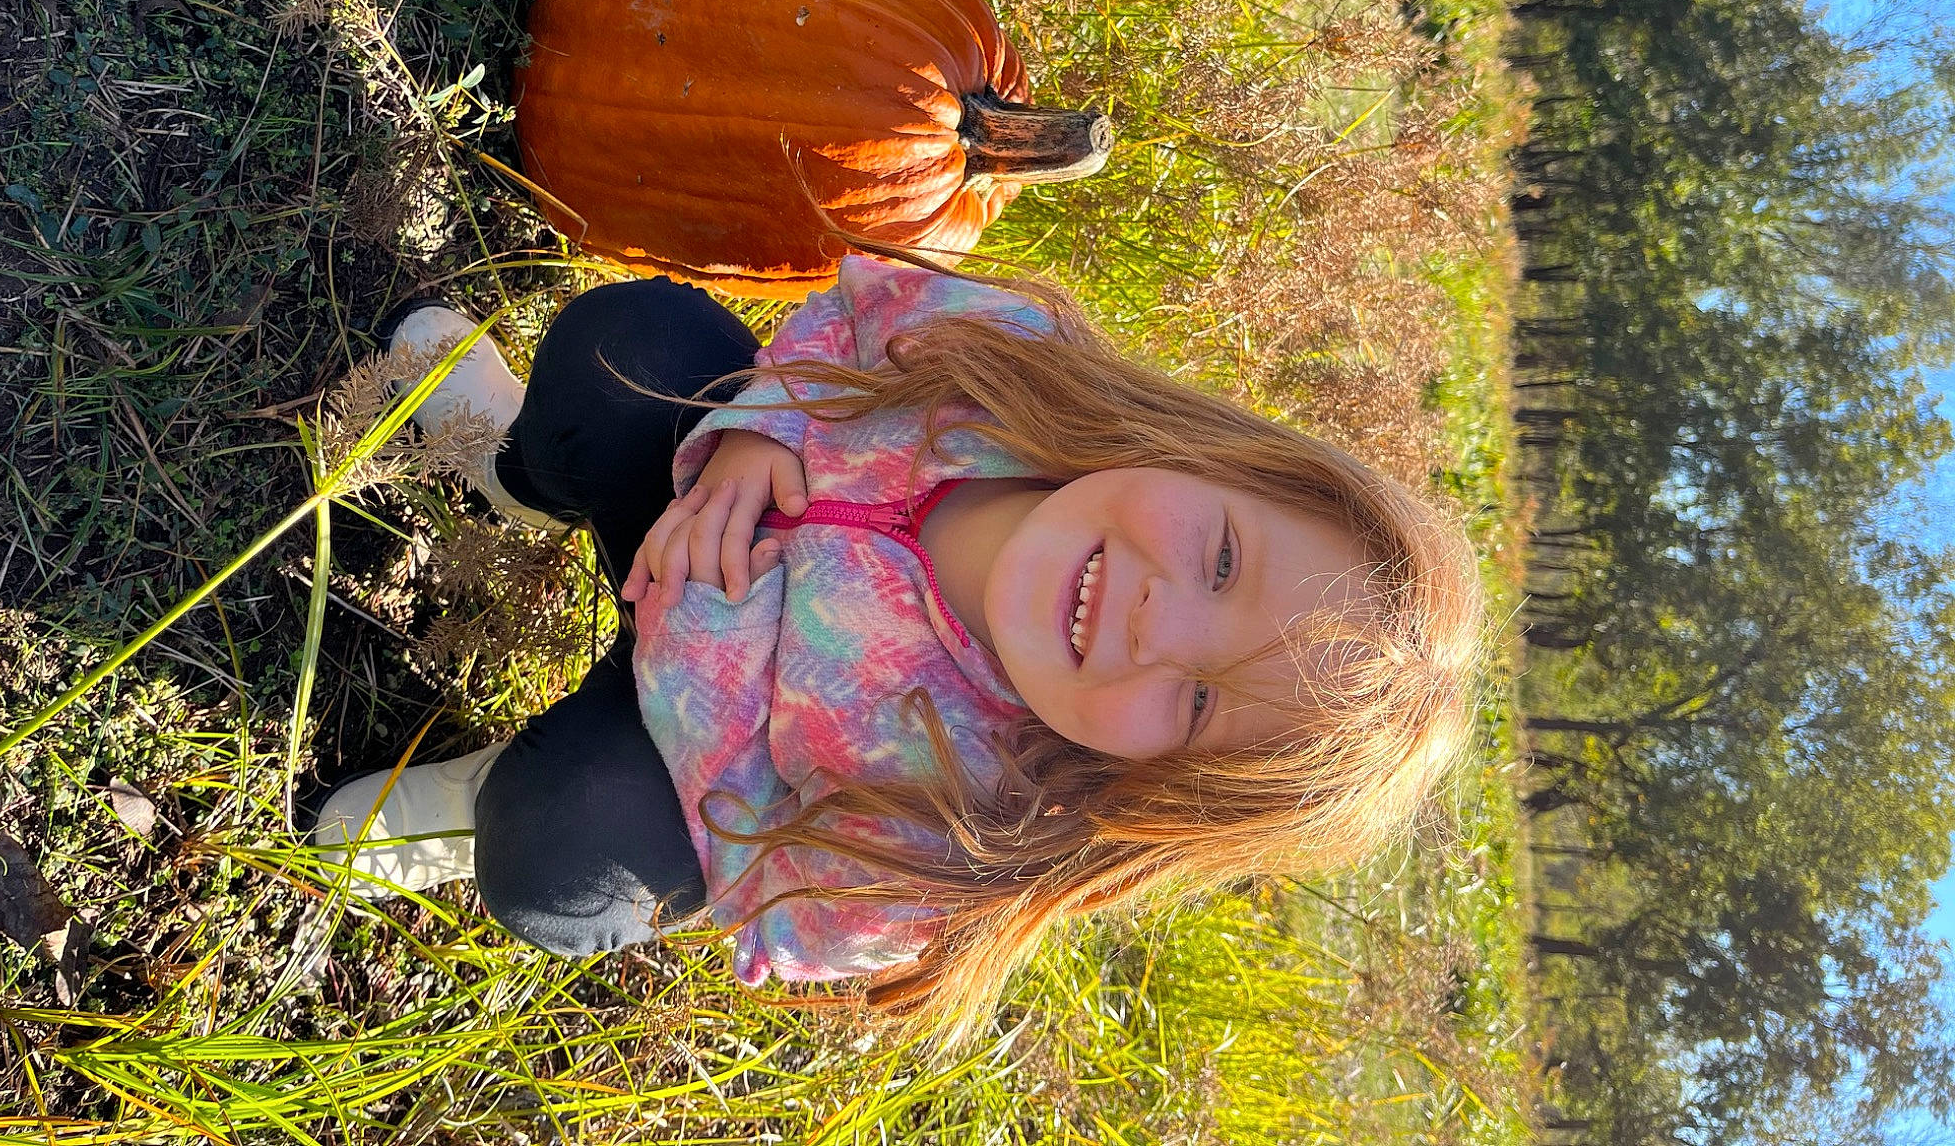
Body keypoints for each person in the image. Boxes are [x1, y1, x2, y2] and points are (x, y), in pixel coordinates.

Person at [313, 250, 1486, 1037]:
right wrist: (759, 427)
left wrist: (707, 662)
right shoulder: (1015, 369)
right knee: (637, 339)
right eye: (1221, 561)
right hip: (691, 490)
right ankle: (520, 470)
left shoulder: (959, 825)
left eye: (1190, 703)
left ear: (1154, 790)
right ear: (1216, 460)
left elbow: (777, 904)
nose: (1153, 621)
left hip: (675, 748)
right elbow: (863, 310)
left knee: (572, 850)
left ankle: (497, 789)